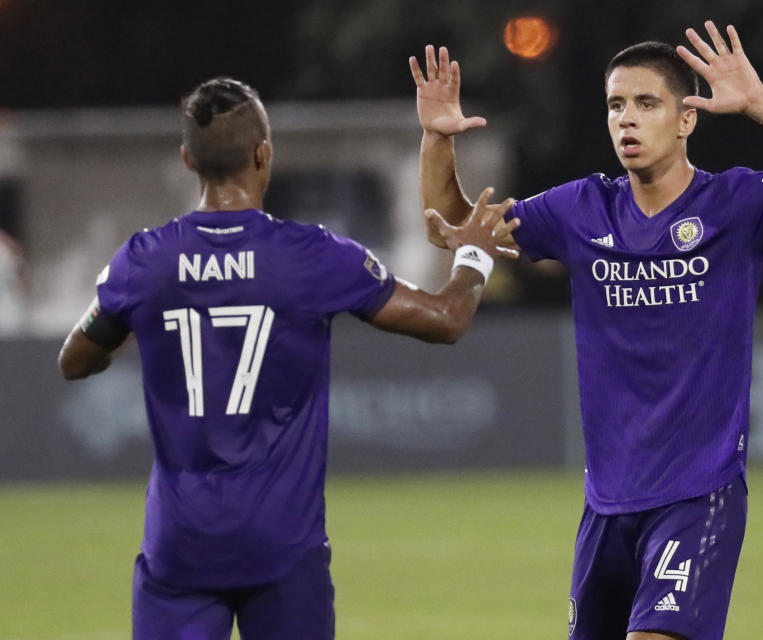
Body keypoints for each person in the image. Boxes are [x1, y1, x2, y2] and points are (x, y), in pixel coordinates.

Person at [410, 21, 763, 640]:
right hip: (607, 504)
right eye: (616, 105)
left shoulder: (735, 205)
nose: (626, 119)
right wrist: (437, 139)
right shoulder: (582, 209)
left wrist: (760, 102)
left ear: (686, 120)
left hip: (697, 494)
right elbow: (454, 227)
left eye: (647, 104)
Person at [57, 77, 519, 640]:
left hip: (179, 543)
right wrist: (475, 254)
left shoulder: (143, 262)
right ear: (264, 153)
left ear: (187, 159)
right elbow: (446, 321)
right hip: (282, 543)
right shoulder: (311, 256)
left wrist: (141, 326)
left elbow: (74, 360)